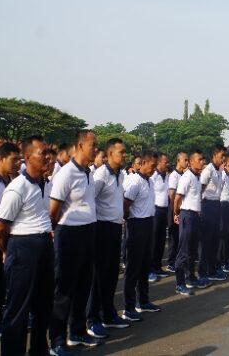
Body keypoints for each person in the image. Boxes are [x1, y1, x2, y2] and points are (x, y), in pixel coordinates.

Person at [0, 136, 56, 355]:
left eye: (49, 153)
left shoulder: (45, 183)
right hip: (23, 247)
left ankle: (39, 349)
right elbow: (1, 227)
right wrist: (7, 251)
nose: (48, 157)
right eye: (43, 153)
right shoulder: (17, 188)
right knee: (18, 308)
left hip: (43, 244)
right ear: (27, 157)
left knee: (43, 305)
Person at [49, 130, 101, 352]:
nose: (96, 149)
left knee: (83, 285)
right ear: (80, 146)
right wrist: (58, 232)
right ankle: (57, 340)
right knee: (64, 290)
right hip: (69, 234)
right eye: (93, 145)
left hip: (88, 232)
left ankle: (77, 332)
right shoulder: (66, 174)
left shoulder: (88, 172)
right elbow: (53, 210)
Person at [86, 138, 130, 340]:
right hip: (101, 229)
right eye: (121, 152)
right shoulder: (100, 175)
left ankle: (108, 313)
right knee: (98, 276)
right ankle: (92, 319)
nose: (124, 155)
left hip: (115, 228)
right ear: (110, 154)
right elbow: (91, 201)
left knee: (112, 274)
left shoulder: (120, 175)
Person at [122, 151, 160, 321]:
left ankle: (143, 301)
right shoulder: (135, 182)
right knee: (133, 268)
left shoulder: (149, 180)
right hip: (136, 225)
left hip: (148, 224)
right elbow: (126, 204)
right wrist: (129, 221)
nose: (154, 169)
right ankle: (129, 308)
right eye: (152, 166)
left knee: (145, 265)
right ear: (143, 163)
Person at [174, 150, 207, 295]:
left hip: (195, 216)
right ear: (191, 162)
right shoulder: (186, 177)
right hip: (187, 215)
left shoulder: (197, 177)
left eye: (203, 160)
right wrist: (176, 213)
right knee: (184, 251)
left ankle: (191, 277)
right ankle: (180, 283)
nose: (202, 162)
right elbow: (177, 198)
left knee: (193, 250)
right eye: (199, 160)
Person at [0, 141, 21, 337]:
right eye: (14, 160)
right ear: (1, 159)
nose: (17, 164)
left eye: (19, 160)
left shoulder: (11, 183)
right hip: (0, 238)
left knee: (5, 284)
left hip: (8, 240)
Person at [199, 146, 227, 282]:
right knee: (206, 242)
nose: (224, 159)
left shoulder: (219, 171)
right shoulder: (208, 170)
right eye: (222, 156)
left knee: (215, 240)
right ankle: (203, 273)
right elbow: (200, 190)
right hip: (207, 206)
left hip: (216, 205)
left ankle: (212, 270)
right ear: (215, 155)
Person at [149, 153, 170, 281]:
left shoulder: (167, 175)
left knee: (161, 241)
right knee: (153, 241)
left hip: (164, 211)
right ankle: (150, 269)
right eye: (165, 162)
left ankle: (157, 267)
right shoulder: (153, 176)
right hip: (155, 211)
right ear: (159, 163)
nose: (167, 164)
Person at [166, 152, 189, 273]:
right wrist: (176, 211)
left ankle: (179, 260)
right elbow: (172, 194)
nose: (187, 162)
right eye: (185, 160)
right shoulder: (174, 175)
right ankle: (171, 262)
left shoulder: (185, 175)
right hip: (174, 208)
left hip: (182, 208)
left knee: (181, 236)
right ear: (178, 161)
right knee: (174, 236)